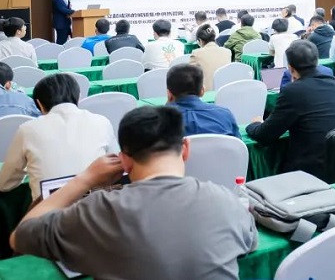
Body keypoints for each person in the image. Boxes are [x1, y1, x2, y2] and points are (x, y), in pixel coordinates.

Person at [10, 107, 257, 279]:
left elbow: (19, 237)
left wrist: (85, 178)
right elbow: (250, 242)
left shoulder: (99, 210)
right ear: (185, 149)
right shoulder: (227, 201)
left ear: (124, 161)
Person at [0, 73, 117, 199]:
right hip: (97, 204)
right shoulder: (102, 122)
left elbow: (5, 183)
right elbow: (116, 167)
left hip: (50, 209)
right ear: (79, 97)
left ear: (39, 104)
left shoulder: (27, 129)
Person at [246, 41, 335, 181]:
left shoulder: (292, 91)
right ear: (317, 62)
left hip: (306, 172)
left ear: (291, 69)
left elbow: (265, 135)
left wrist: (254, 124)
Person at [166, 64, 239, 138]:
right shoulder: (225, 115)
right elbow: (238, 144)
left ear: (169, 94)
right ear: (202, 91)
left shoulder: (161, 123)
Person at [188, 24, 230, 92]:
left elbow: (189, 76)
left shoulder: (196, 53)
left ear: (200, 40)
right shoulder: (227, 52)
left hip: (206, 93)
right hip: (224, 91)